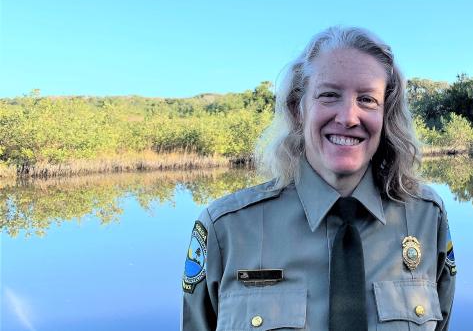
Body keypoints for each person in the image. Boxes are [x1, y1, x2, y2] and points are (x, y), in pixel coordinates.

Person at [181, 26, 456, 330]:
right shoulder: (226, 231)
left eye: (367, 99)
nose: (349, 117)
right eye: (329, 95)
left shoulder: (426, 218)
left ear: (386, 115)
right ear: (298, 109)